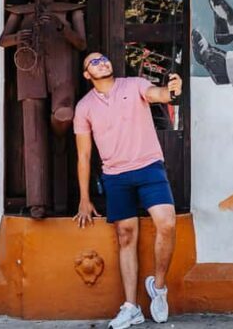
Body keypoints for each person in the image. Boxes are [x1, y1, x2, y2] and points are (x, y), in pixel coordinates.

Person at [72, 52, 182, 327]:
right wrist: (84, 199)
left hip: (148, 167)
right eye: (94, 62)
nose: (102, 63)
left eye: (104, 59)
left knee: (167, 223)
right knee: (125, 236)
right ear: (87, 75)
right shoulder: (84, 107)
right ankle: (131, 307)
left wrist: (172, 90)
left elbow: (159, 94)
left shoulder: (134, 85)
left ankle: (158, 287)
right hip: (115, 176)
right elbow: (84, 156)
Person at [0, 0, 86, 219]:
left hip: (62, 72)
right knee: (32, 134)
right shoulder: (20, 11)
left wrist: (61, 27)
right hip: (30, 71)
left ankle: (59, 133)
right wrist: (17, 37)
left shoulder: (69, 10)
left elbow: (81, 43)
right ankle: (37, 202)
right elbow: (3, 41)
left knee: (64, 113)